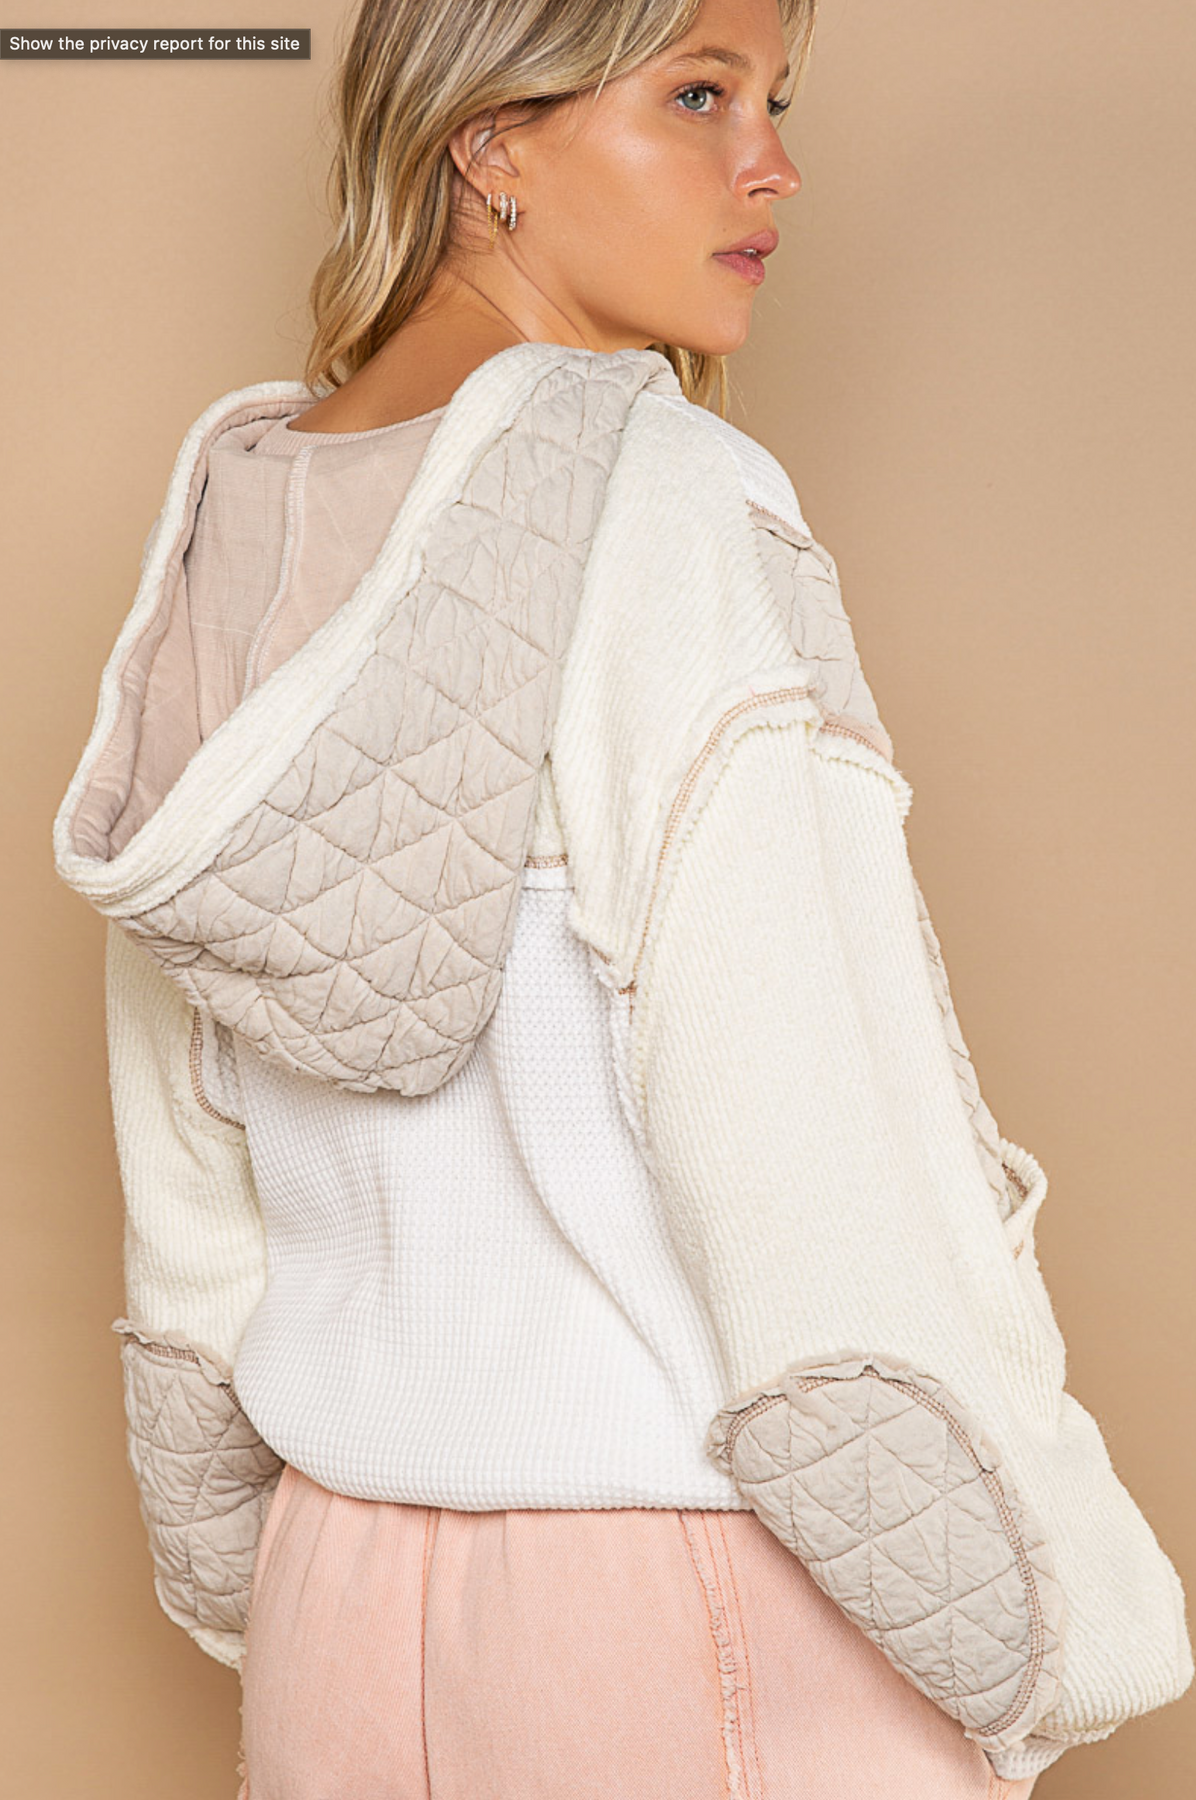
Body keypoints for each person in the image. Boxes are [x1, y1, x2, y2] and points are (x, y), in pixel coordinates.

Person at [52, 0, 1193, 1795]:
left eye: (774, 102)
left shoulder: (226, 517)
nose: (775, 168)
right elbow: (802, 1133)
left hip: (334, 1597)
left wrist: (234, 1550)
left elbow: (184, 1143)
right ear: (489, 137)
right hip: (697, 1586)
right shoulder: (670, 493)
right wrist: (1047, 1608)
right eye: (699, 95)